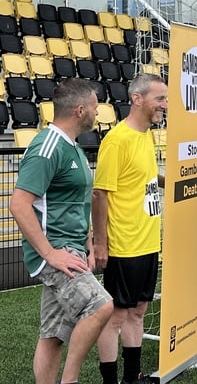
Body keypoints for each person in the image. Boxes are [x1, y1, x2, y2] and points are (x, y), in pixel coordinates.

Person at [10, 78, 113, 384]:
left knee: (53, 335)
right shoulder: (47, 146)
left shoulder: (73, 148)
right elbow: (19, 204)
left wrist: (88, 244)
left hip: (71, 249)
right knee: (101, 306)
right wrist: (50, 253)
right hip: (55, 251)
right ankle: (70, 380)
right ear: (80, 110)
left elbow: (72, 203)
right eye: (95, 106)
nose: (98, 112)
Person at [93, 73, 167, 384]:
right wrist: (100, 243)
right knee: (116, 317)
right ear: (137, 99)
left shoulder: (146, 135)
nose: (165, 105)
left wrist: (173, 180)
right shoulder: (117, 140)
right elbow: (100, 193)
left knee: (138, 312)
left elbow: (143, 180)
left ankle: (132, 376)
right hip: (124, 244)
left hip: (148, 242)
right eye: (160, 99)